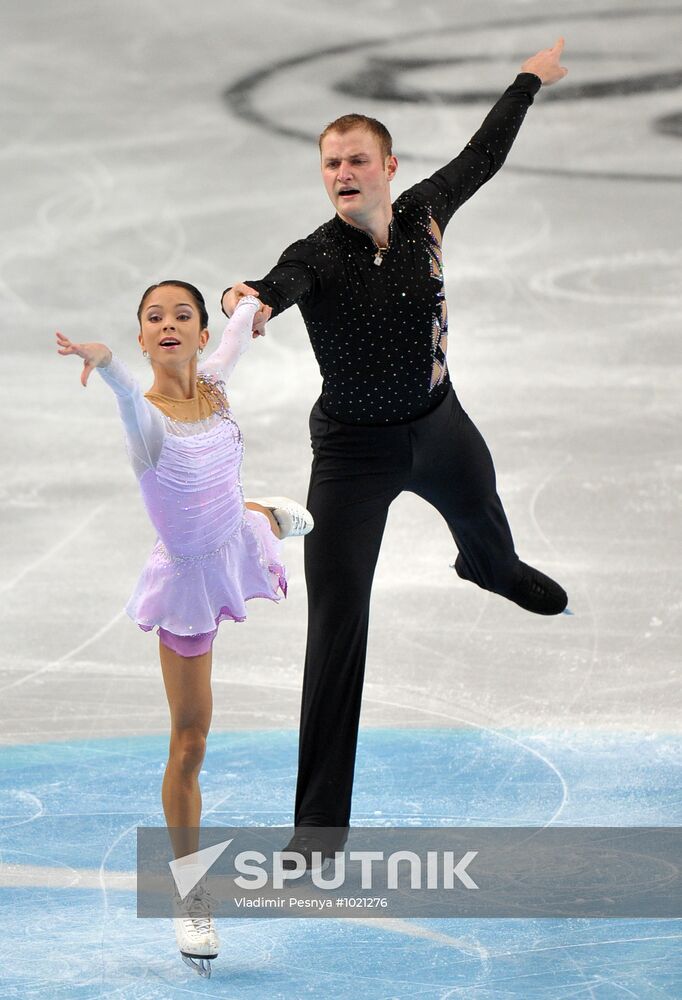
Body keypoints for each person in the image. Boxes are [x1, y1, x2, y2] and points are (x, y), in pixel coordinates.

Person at [222, 40, 570, 867]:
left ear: (388, 165)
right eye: (330, 164)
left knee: (487, 527)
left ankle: (491, 569)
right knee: (336, 630)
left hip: (441, 428)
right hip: (351, 457)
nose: (342, 173)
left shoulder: (425, 212)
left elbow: (484, 154)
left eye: (356, 160)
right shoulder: (316, 254)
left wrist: (528, 79)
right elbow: (275, 285)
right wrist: (250, 299)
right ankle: (317, 833)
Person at [56, 282, 313, 977]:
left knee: (243, 518)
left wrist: (249, 303)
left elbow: (238, 335)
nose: (168, 324)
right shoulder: (148, 421)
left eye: (182, 316)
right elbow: (119, 393)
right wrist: (107, 365)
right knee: (191, 741)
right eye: (153, 318)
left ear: (198, 333)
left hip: (230, 536)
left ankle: (261, 513)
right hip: (188, 580)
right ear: (142, 338)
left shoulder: (217, 381)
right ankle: (190, 892)